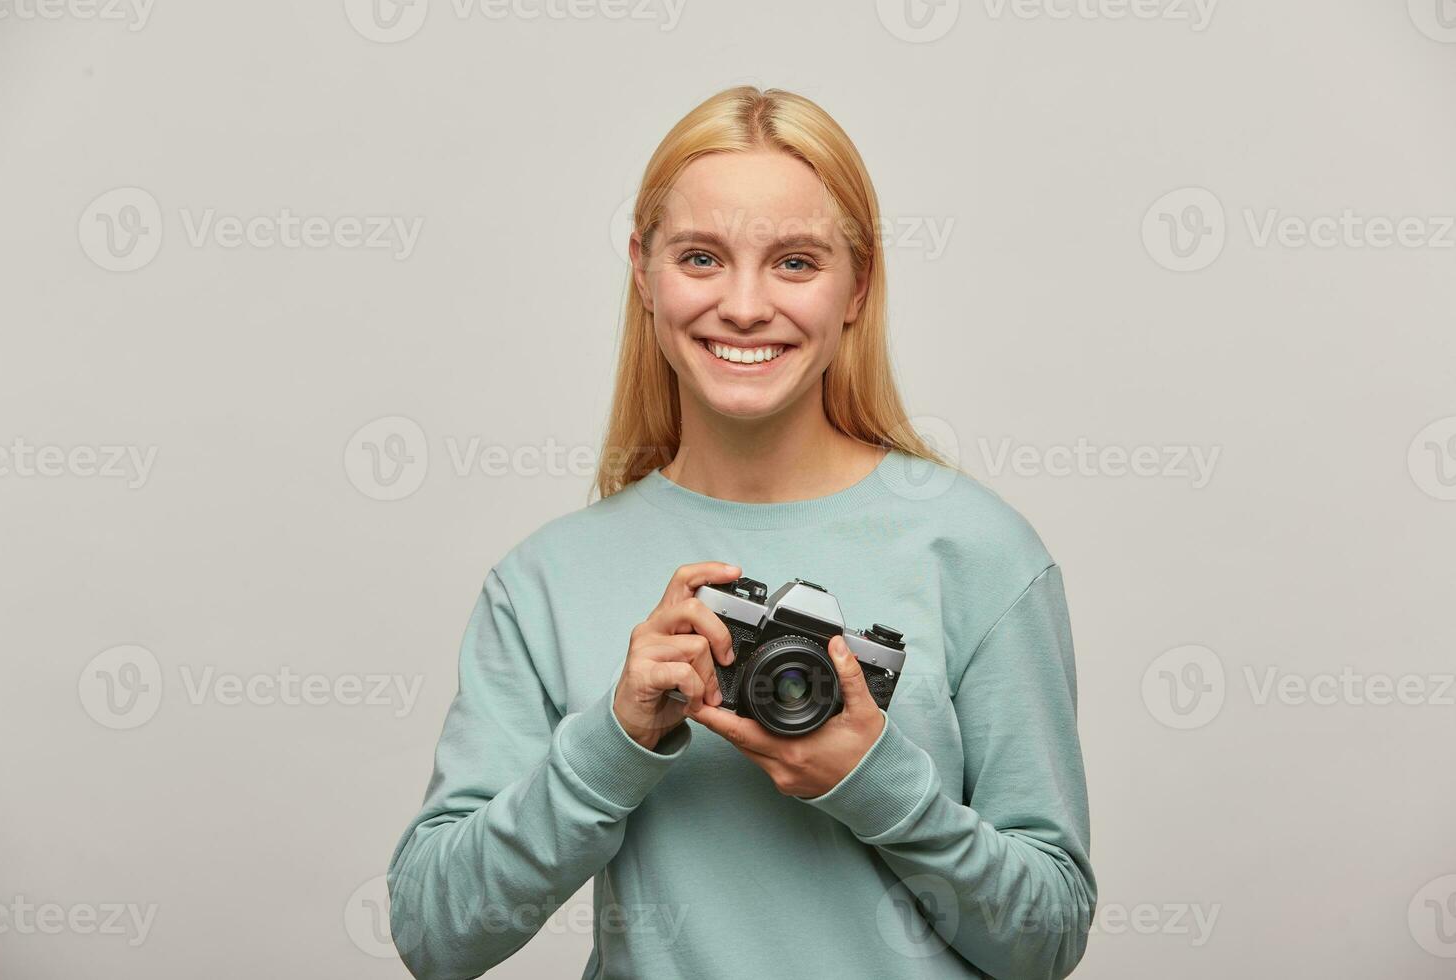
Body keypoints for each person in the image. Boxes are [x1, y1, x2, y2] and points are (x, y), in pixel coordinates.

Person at [386, 85, 1096, 980]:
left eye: (796, 262)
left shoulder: (981, 554)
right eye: (701, 258)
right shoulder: (543, 582)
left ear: (858, 286)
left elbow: (1046, 940)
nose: (747, 307)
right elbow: (434, 936)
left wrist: (876, 782)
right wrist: (617, 738)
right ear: (643, 273)